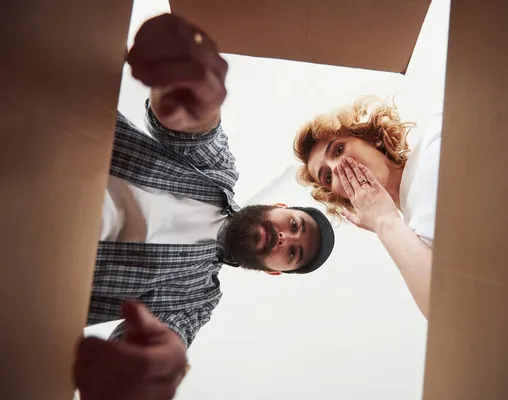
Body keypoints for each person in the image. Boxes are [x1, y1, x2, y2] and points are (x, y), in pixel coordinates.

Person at [74, 14, 335, 400]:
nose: (284, 237)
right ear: (280, 206)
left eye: (293, 252)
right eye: (294, 224)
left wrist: (154, 365)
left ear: (275, 271)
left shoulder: (197, 300)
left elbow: (163, 341)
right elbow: (193, 127)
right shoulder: (217, 171)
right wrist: (193, 94)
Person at [293, 95, 443, 319]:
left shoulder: (436, 137)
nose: (337, 167)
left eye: (338, 149)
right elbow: (444, 308)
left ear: (370, 139)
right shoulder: (409, 237)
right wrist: (383, 221)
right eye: (326, 177)